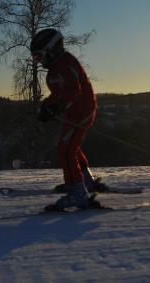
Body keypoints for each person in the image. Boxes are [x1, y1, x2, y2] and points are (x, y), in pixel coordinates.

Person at [30, 28, 98, 211]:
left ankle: (78, 193)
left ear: (51, 50)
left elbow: (73, 92)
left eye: (39, 56)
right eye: (35, 58)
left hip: (81, 113)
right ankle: (86, 182)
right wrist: (47, 106)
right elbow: (59, 93)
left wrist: (56, 107)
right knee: (70, 148)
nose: (39, 61)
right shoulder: (57, 66)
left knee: (66, 151)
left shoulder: (65, 65)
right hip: (73, 113)